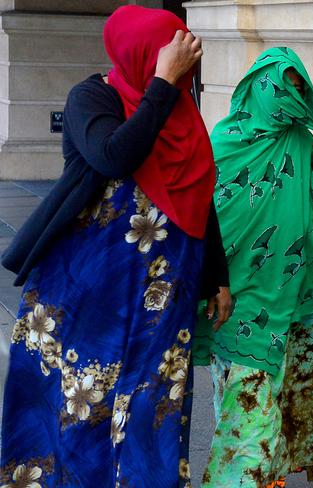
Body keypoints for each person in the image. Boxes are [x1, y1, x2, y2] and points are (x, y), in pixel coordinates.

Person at [0, 6, 231, 486]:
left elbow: (198, 197)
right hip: (90, 290)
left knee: (153, 402)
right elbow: (115, 155)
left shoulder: (181, 117)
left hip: (163, 293)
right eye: (168, 55)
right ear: (143, 55)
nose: (179, 66)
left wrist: (217, 277)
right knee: (84, 401)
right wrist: (163, 85)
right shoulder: (92, 97)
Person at [192, 47, 313, 487]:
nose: (290, 98)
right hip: (236, 305)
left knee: (276, 412)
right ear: (257, 89)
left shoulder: (307, 146)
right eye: (282, 88)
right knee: (249, 413)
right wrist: (210, 281)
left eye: (299, 88)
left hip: (296, 305)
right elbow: (200, 219)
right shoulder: (223, 144)